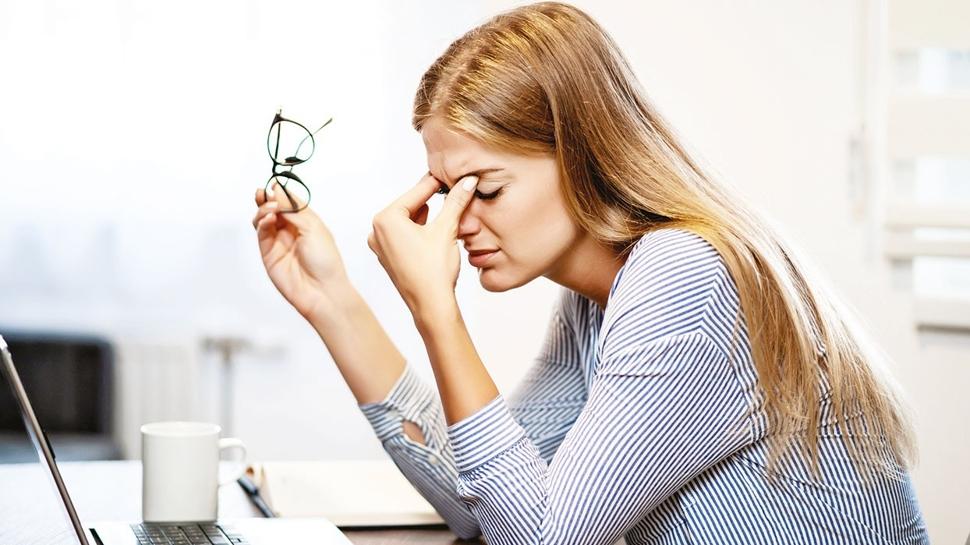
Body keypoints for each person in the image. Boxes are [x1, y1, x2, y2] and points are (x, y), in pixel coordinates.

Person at [251, 2, 928, 543]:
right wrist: (333, 300)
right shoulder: (596, 303)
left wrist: (438, 312)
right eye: (448, 193)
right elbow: (479, 498)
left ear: (581, 154)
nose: (455, 224)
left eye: (486, 190)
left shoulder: (684, 275)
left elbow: (545, 536)